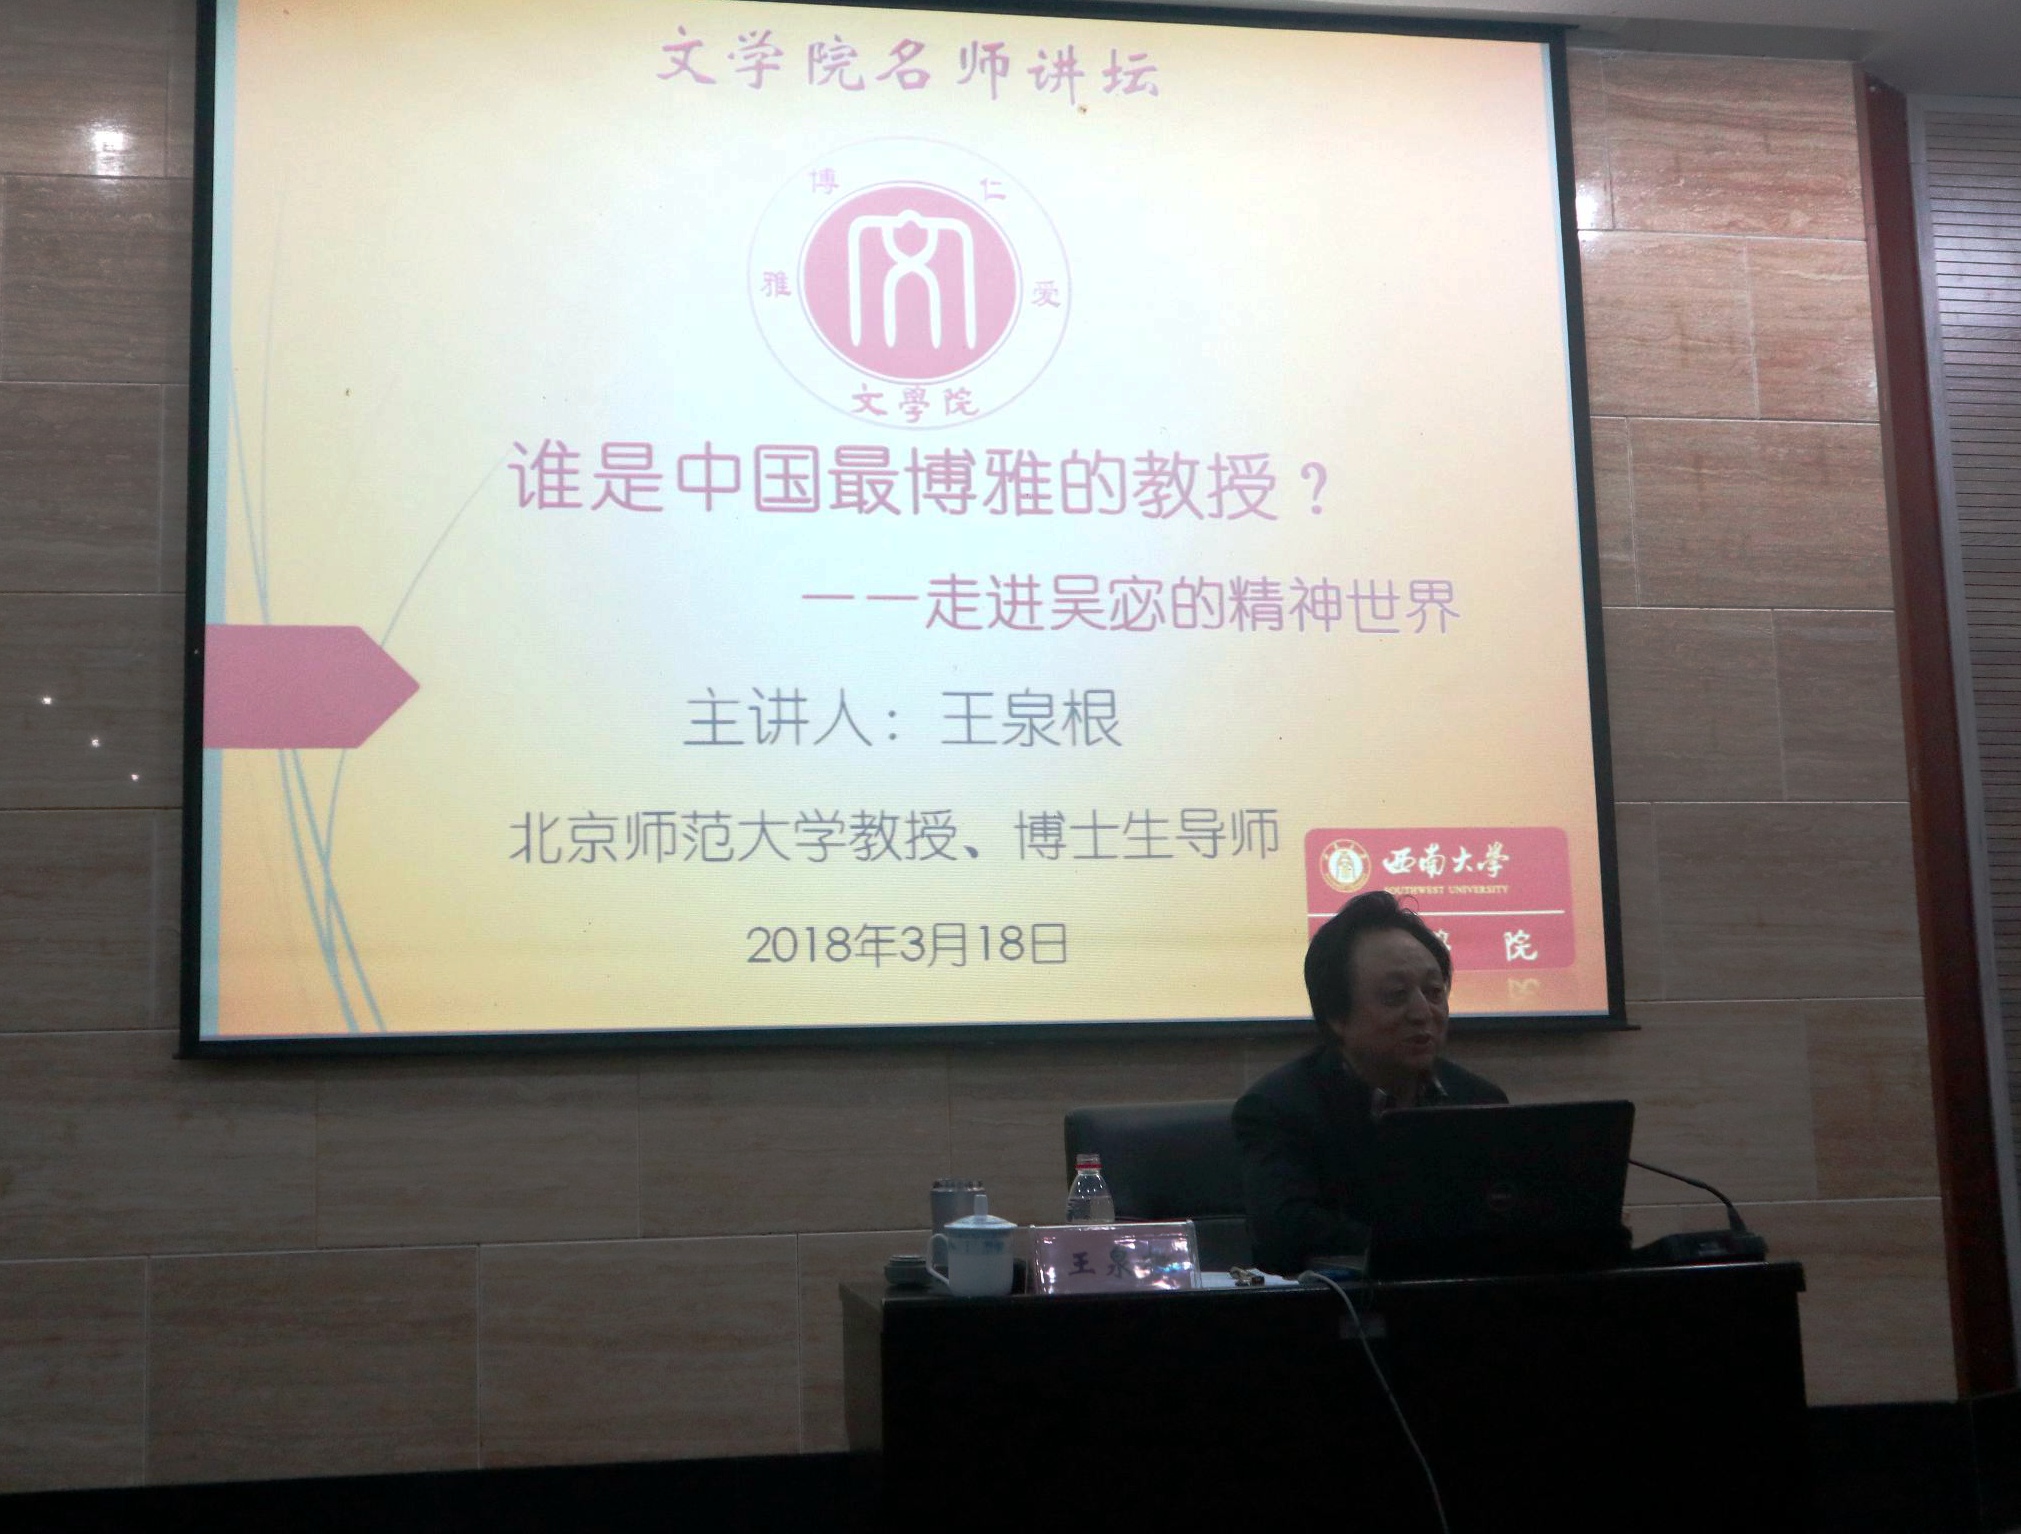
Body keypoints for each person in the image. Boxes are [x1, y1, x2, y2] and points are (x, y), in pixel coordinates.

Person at [1234, 889, 1506, 1275]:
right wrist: (1417, 1246)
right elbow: (1284, 1232)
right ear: (1336, 1016)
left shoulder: (1478, 1099)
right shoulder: (1279, 1109)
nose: (1422, 1012)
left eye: (1434, 992)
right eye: (1396, 996)